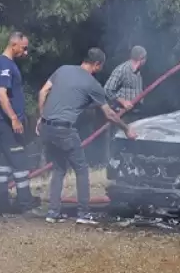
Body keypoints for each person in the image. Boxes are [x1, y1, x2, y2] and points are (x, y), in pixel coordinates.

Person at [37, 47, 133, 225]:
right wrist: (126, 129)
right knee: (81, 169)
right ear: (97, 64)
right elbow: (110, 115)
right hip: (65, 129)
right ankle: (83, 214)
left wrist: (41, 117)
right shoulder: (92, 84)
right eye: (100, 67)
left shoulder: (62, 69)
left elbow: (43, 92)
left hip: (46, 127)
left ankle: (53, 212)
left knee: (58, 169)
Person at [0, 31, 37, 215]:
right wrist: (14, 118)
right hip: (7, 124)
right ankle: (25, 203)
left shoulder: (3, 64)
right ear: (14, 45)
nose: (25, 53)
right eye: (23, 48)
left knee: (3, 164)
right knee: (19, 163)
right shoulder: (5, 65)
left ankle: (2, 203)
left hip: (2, 124)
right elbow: (1, 94)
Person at [104, 45, 147, 112]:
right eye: (145, 57)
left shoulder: (139, 71)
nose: (146, 60)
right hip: (123, 113)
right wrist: (123, 101)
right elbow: (107, 89)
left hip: (136, 112)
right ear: (141, 58)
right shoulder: (121, 70)